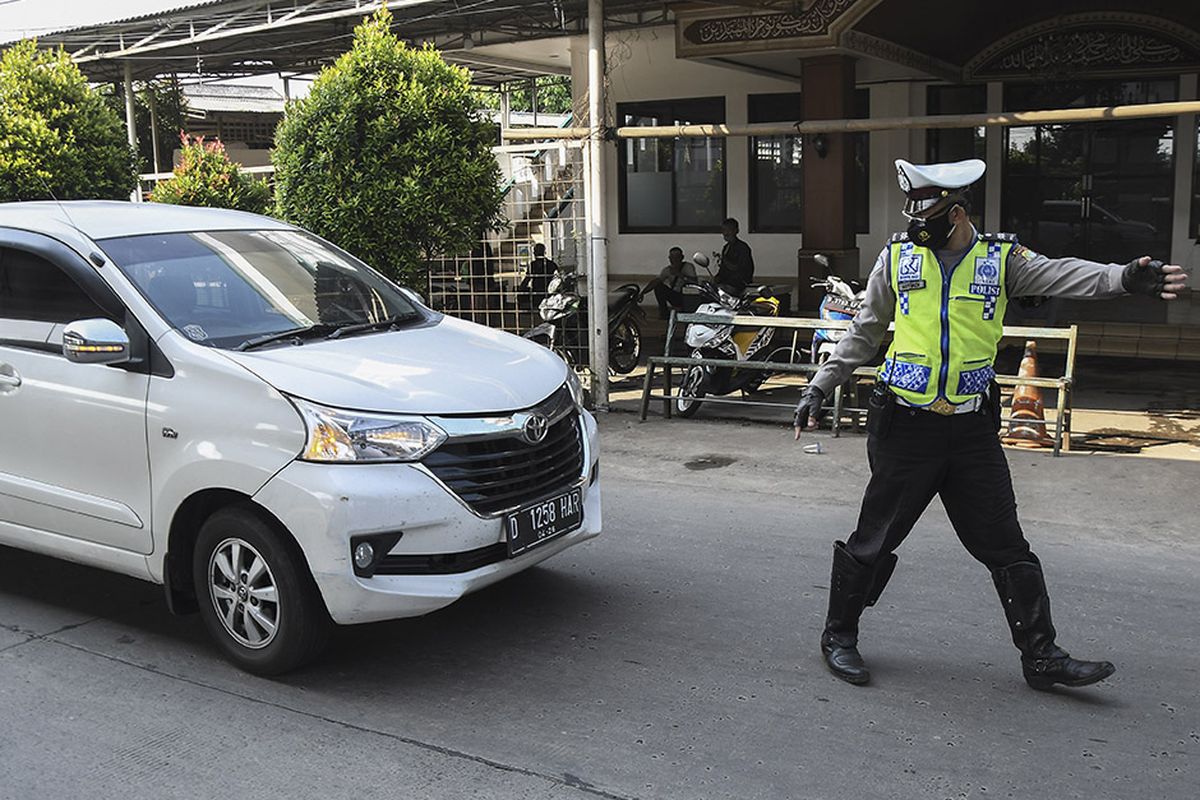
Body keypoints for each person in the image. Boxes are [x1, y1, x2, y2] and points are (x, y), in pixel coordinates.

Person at [792, 158, 1188, 690]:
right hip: (905, 427)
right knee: (876, 538)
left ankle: (1041, 656)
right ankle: (838, 636)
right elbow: (864, 331)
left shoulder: (1001, 259)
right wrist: (821, 384)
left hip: (973, 429)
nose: (916, 228)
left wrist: (1124, 278)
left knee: (1005, 544)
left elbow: (1064, 272)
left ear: (956, 214)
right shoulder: (899, 258)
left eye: (927, 219)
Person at [645, 246, 698, 319]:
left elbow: (694, 282)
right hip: (676, 296)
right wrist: (643, 293)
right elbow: (656, 282)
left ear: (682, 257)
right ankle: (664, 313)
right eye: (672, 257)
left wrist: (680, 275)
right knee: (659, 287)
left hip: (687, 297)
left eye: (676, 257)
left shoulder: (688, 267)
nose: (674, 259)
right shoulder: (667, 270)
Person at [716, 218, 754, 294]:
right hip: (725, 282)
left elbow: (741, 269)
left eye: (729, 230)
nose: (726, 233)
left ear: (736, 231)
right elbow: (723, 270)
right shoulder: (726, 248)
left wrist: (725, 260)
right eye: (724, 230)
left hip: (739, 283)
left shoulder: (743, 247)